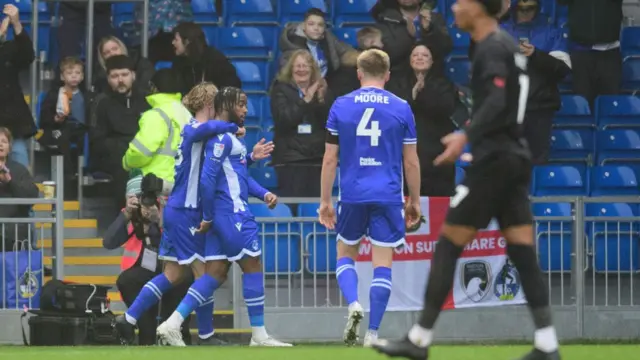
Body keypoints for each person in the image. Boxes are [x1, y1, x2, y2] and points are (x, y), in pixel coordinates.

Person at [372, 1, 560, 359]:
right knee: (522, 254)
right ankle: (548, 344)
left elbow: (496, 101)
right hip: (514, 159)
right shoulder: (503, 44)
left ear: (479, 8)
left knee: (447, 246)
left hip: (493, 162)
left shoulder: (492, 46)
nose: (455, 7)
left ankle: (419, 340)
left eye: (461, 2)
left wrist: (465, 135)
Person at [114, 83, 273, 346]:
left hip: (178, 209)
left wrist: (250, 158)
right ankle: (203, 334)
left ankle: (128, 319)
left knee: (174, 275)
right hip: (187, 212)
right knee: (206, 274)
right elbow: (212, 141)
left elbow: (225, 168)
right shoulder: (196, 128)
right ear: (210, 105)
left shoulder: (200, 133)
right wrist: (233, 127)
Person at [156, 87, 291, 347]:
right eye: (241, 105)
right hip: (233, 214)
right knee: (252, 265)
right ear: (226, 104)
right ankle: (259, 335)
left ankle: (172, 323)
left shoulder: (224, 136)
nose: (246, 111)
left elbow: (239, 176)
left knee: (214, 274)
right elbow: (208, 179)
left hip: (222, 216)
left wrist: (264, 194)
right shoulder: (223, 137)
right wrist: (207, 216)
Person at [317, 49, 422, 347]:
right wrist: (414, 200)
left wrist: (325, 201)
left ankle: (353, 303)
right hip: (388, 195)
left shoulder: (340, 105)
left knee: (345, 254)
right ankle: (373, 333)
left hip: (352, 193)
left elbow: (329, 158)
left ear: (359, 73)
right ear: (387, 75)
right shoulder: (401, 107)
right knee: (382, 264)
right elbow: (411, 162)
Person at [104, 175, 192, 345]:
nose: (144, 203)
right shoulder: (131, 214)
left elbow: (180, 238)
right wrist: (127, 214)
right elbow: (108, 242)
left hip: (172, 266)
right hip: (145, 268)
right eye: (139, 199)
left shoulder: (167, 209)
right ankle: (146, 331)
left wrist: (159, 219)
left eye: (146, 198)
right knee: (126, 280)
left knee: (182, 280)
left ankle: (175, 333)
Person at [502, 0, 571, 165]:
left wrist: (535, 55)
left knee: (537, 163)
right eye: (521, 9)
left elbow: (563, 70)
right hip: (508, 108)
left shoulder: (551, 33)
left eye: (530, 9)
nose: (525, 13)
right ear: (514, 8)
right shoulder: (501, 32)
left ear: (537, 8)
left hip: (539, 108)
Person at [387, 44, 458, 196]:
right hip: (405, 151)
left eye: (425, 55)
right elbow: (392, 111)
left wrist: (423, 93)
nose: (419, 57)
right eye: (415, 55)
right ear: (409, 60)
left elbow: (447, 108)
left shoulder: (444, 83)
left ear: (432, 62)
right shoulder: (397, 83)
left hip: (436, 152)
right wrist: (412, 95)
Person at [270, 50, 334, 200]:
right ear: (291, 68)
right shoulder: (281, 89)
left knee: (315, 206)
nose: (301, 69)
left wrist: (321, 100)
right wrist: (306, 99)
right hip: (290, 159)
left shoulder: (323, 91)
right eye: (297, 66)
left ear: (312, 69)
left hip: (316, 158)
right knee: (292, 205)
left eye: (305, 66)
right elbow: (284, 120)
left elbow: (329, 122)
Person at [89, 55, 150, 210]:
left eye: (124, 75)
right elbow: (97, 140)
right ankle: (127, 218)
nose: (120, 80)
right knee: (124, 169)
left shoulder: (146, 99)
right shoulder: (101, 102)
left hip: (144, 153)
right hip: (115, 156)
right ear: (108, 79)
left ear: (133, 75)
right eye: (115, 76)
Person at [122, 69, 193, 189]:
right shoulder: (186, 113)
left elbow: (140, 152)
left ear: (154, 88)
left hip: (156, 184)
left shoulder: (156, 115)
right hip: (183, 185)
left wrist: (126, 161)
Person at [39, 57, 92, 177]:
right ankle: (68, 174)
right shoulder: (54, 94)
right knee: (61, 138)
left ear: (82, 76)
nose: (74, 76)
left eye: (77, 73)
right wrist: (55, 119)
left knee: (89, 138)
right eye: (69, 73)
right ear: (62, 77)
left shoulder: (87, 95)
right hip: (61, 127)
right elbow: (45, 115)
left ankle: (83, 170)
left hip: (80, 128)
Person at [0, 4, 37, 167]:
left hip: (13, 125)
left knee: (20, 172)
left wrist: (16, 23)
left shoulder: (8, 49)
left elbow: (28, 55)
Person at [171, 22, 241, 95]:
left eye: (176, 40)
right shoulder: (178, 62)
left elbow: (232, 88)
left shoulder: (215, 59)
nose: (173, 42)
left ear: (187, 41)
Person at [0, 127, 38, 250]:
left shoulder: (19, 169)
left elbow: (32, 196)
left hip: (13, 234)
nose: (0, 144)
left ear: (9, 147)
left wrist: (10, 181)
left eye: (4, 141)